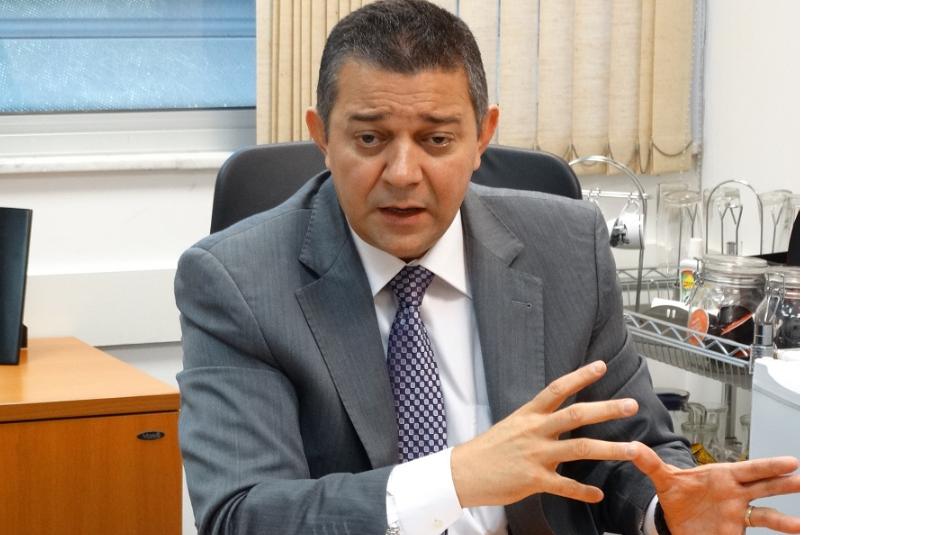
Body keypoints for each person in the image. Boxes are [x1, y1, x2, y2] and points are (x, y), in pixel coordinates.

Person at [174, 1, 800, 534]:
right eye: (369, 139)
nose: (402, 173)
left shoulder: (568, 246)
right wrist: (453, 478)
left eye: (437, 139)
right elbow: (242, 514)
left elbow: (625, 447)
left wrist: (665, 510)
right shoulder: (236, 281)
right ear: (321, 136)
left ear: (482, 136)